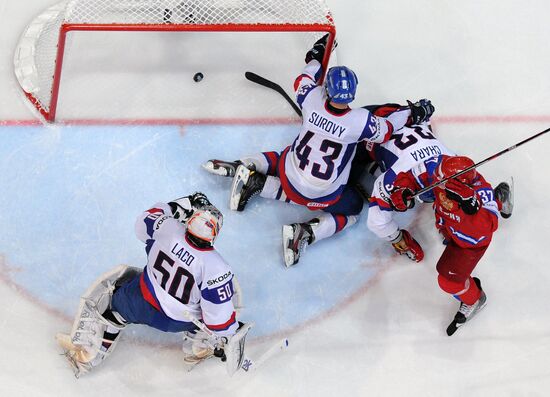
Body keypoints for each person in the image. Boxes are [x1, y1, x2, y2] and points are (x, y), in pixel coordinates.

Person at [203, 35, 434, 267]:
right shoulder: (360, 121)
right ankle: (302, 228)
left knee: (283, 156)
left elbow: (304, 77)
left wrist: (318, 54)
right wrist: (414, 112)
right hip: (322, 194)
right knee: (353, 209)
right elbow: (388, 128)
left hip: (289, 171)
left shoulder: (311, 98)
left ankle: (245, 166)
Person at [56, 192, 251, 377]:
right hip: (179, 322)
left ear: (189, 221)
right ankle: (199, 346)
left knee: (115, 293)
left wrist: (183, 204)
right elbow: (219, 322)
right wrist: (225, 337)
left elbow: (143, 223)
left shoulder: (169, 228)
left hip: (139, 302)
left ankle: (91, 353)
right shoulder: (218, 268)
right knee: (220, 305)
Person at [388, 155, 513, 335]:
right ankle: (501, 197)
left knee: (448, 282)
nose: (435, 180)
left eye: (440, 180)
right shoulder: (444, 169)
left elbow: (489, 228)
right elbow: (415, 172)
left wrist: (474, 208)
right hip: (451, 227)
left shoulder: (480, 192)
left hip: (469, 244)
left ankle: (475, 299)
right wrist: (403, 188)